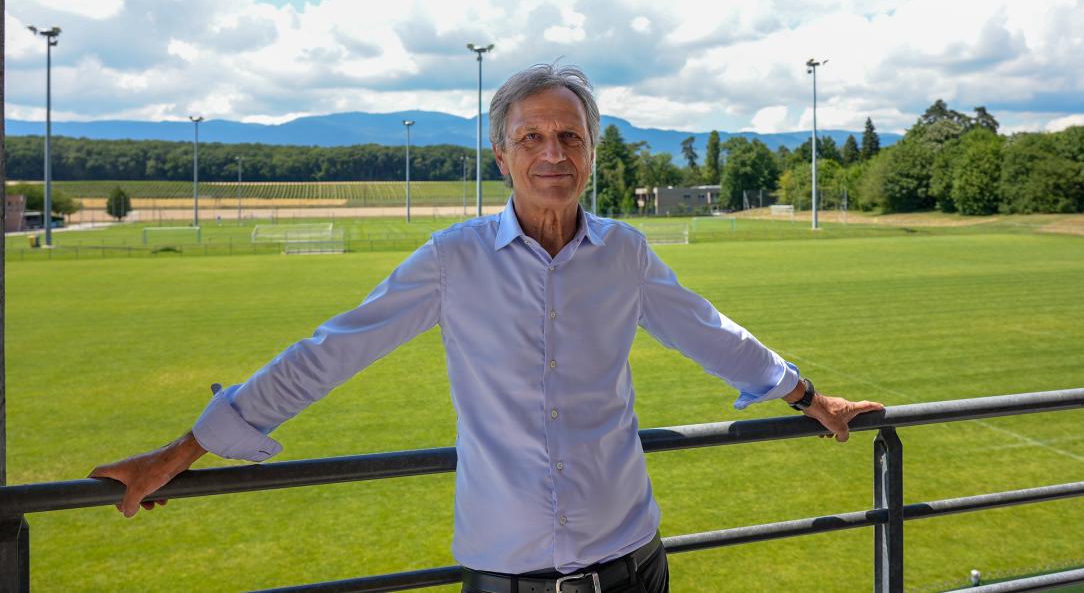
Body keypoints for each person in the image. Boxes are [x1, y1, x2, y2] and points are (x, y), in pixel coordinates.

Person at [91, 64, 884, 593]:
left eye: (569, 137)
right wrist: (184, 451)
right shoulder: (452, 259)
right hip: (507, 576)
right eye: (531, 138)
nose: (552, 153)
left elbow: (710, 332)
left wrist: (810, 396)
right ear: (500, 156)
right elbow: (327, 356)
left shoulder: (626, 254)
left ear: (592, 154)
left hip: (634, 564)